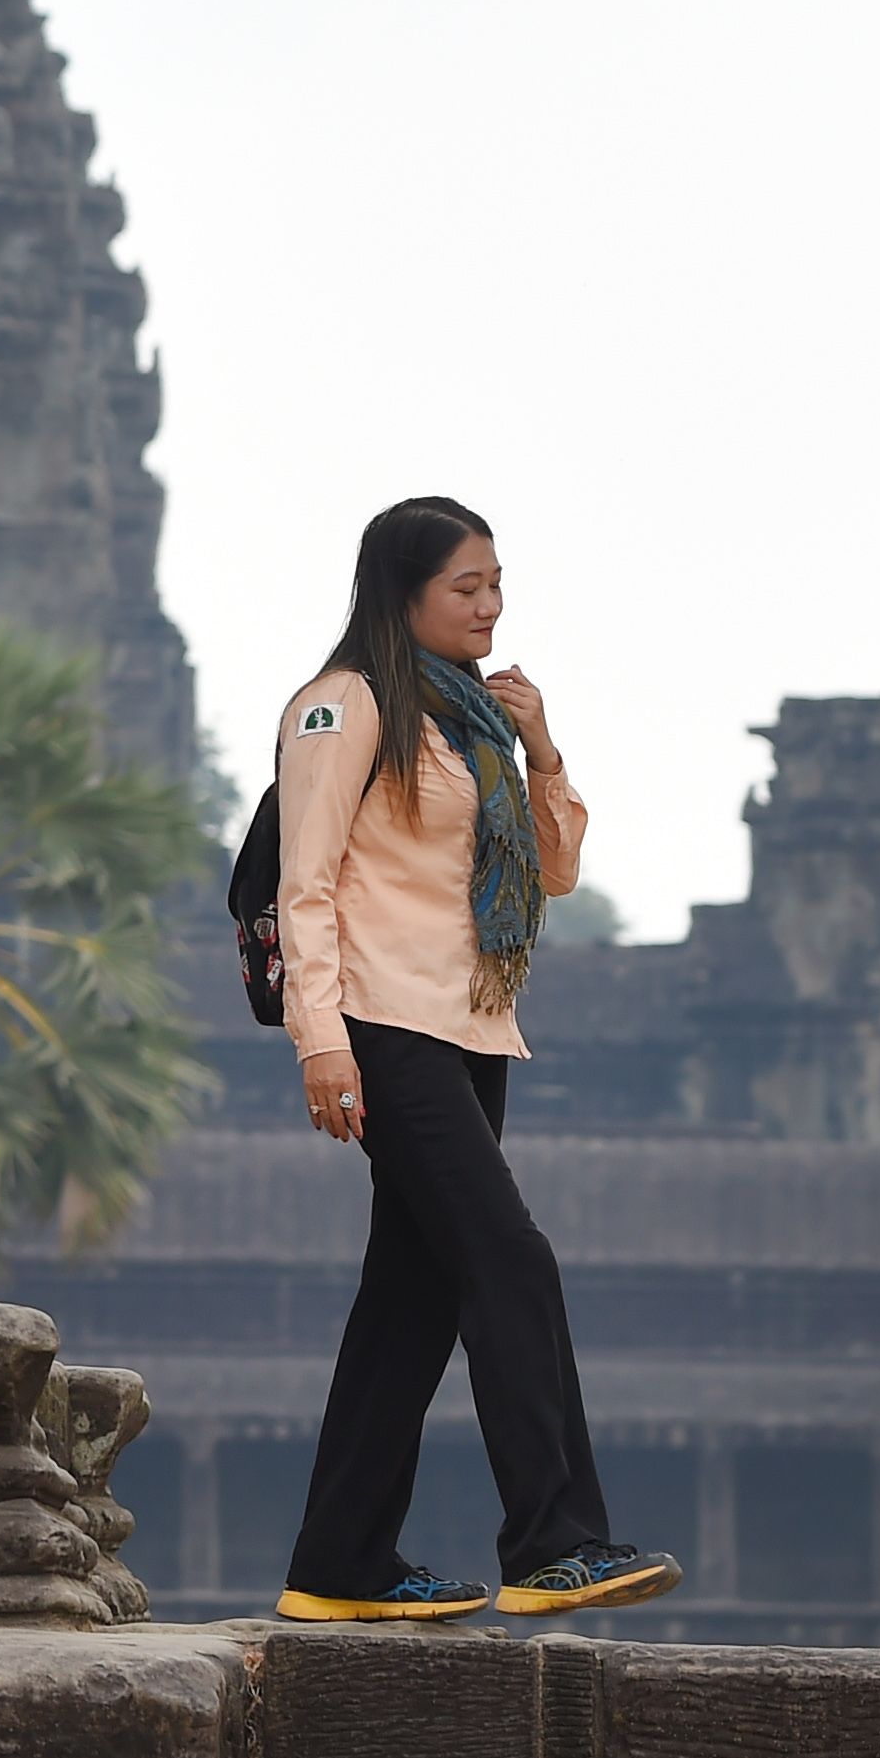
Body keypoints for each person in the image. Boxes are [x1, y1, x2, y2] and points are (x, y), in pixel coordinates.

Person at [266, 495, 681, 1623]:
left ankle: (336, 1561)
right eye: (465, 586)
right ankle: (551, 1539)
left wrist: (541, 745)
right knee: (509, 1258)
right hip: (381, 1027)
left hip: (470, 1027)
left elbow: (550, 873)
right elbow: (301, 884)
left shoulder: (472, 724)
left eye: (497, 584)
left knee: (410, 1299)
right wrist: (320, 1043)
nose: (489, 605)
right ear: (403, 593)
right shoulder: (338, 708)